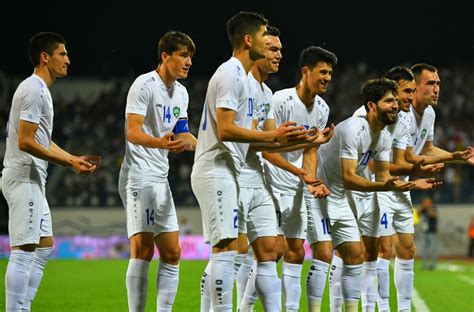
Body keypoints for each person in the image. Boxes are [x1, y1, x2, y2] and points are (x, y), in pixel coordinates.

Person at [191, 12, 308, 312]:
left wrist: (306, 140)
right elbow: (227, 130)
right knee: (228, 249)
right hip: (216, 168)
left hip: (231, 169)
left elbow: (262, 139)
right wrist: (275, 138)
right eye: (264, 36)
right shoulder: (231, 74)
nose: (270, 44)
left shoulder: (244, 79)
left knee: (265, 249)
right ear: (248, 40)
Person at [316, 78, 440, 312]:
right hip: (322, 189)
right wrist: (388, 186)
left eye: (397, 99)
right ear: (372, 106)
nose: (398, 104)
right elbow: (351, 177)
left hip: (350, 193)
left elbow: (385, 174)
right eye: (392, 99)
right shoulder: (355, 127)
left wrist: (411, 182)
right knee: (317, 253)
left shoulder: (385, 135)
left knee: (360, 254)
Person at [2, 32, 100, 311]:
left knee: (44, 246)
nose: (68, 60)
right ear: (45, 57)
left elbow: (41, 139)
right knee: (23, 252)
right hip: (23, 177)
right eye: (63, 54)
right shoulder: (33, 89)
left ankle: (23, 306)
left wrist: (72, 158)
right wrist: (67, 163)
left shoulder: (41, 90)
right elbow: (26, 141)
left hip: (33, 179)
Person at [117, 31, 197, 312]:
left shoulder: (182, 93)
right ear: (165, 56)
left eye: (190, 57)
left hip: (160, 178)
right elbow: (133, 132)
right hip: (138, 174)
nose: (188, 62)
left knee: (173, 252)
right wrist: (159, 142)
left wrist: (209, 149)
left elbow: (183, 135)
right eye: (183, 55)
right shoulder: (144, 85)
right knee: (143, 250)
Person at [263, 45, 336, 312]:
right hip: (269, 183)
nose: (328, 78)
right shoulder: (279, 100)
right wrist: (302, 174)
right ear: (306, 71)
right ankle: (245, 306)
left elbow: (311, 150)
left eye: (330, 73)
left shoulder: (322, 109)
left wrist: (311, 180)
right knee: (269, 252)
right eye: (323, 72)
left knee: (295, 251)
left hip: (296, 184)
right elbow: (266, 150)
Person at [418, 196, 438, 270]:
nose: (425, 203)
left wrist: (428, 208)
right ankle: (425, 264)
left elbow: (433, 215)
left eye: (427, 202)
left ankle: (433, 265)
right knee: (424, 249)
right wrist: (423, 207)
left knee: (433, 249)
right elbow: (418, 213)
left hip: (432, 231)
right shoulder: (423, 209)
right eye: (424, 202)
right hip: (424, 232)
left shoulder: (433, 207)